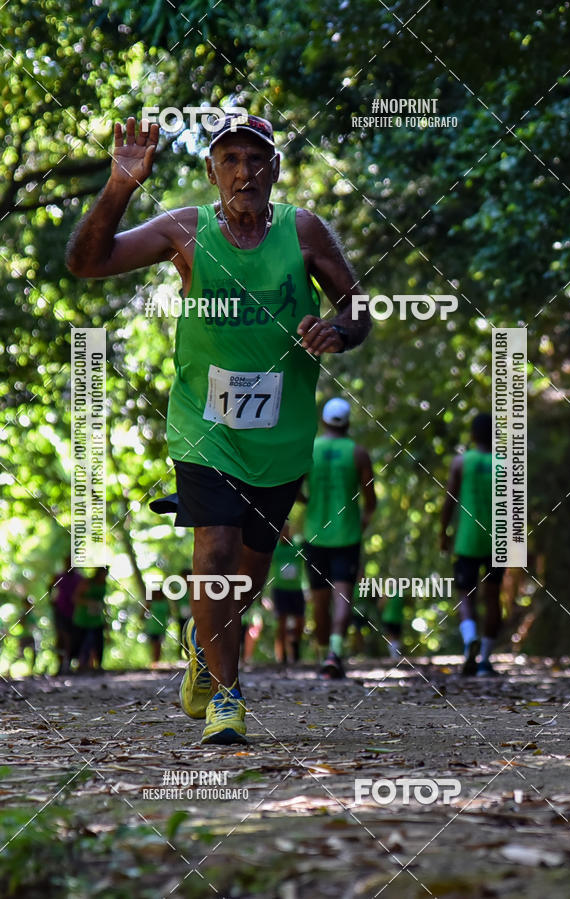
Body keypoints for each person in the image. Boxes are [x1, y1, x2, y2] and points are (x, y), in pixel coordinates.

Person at [66, 113, 371, 743]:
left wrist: (338, 331)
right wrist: (119, 186)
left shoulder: (305, 231)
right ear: (212, 172)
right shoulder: (185, 230)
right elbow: (87, 264)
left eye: (256, 159)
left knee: (249, 574)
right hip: (204, 425)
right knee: (215, 551)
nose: (244, 171)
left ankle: (206, 646)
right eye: (229, 159)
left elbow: (358, 307)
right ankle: (228, 698)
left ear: (275, 170)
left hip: (281, 434)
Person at [302, 397, 377, 678]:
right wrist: (363, 521)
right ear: (348, 423)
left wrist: (308, 501)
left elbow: (295, 489)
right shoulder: (358, 453)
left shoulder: (310, 450)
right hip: (347, 535)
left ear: (323, 421)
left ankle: (323, 656)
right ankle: (335, 652)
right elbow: (370, 500)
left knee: (319, 600)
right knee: (343, 597)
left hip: (314, 534)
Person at [440, 412, 504, 676]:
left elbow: (449, 500)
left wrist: (443, 532)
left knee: (465, 594)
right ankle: (485, 660)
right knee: (492, 597)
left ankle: (469, 642)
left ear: (473, 435)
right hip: (498, 540)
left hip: (467, 539)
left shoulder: (460, 463)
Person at [268, 522, 305, 664]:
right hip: (280, 590)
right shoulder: (274, 550)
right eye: (282, 530)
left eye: (287, 530)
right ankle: (281, 655)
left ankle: (295, 645)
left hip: (296, 589)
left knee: (300, 621)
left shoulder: (297, 548)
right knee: (281, 623)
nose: (285, 533)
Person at [49, 556, 82, 674]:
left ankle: (68, 664)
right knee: (61, 638)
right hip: (60, 611)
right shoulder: (59, 577)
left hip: (75, 613)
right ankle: (61, 664)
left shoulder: (80, 578)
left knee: (72, 639)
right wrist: (51, 600)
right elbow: (50, 587)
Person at [72, 567, 109, 672]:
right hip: (83, 619)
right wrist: (89, 602)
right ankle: (81, 664)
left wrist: (106, 618)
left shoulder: (104, 585)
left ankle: (97, 665)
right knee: (82, 642)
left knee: (98, 642)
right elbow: (75, 598)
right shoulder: (87, 583)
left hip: (97, 619)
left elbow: (103, 602)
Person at [142, 585, 171, 665]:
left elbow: (169, 614)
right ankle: (153, 662)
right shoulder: (151, 603)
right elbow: (143, 612)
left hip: (161, 627)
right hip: (152, 627)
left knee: (159, 645)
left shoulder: (165, 603)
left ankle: (157, 662)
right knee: (153, 645)